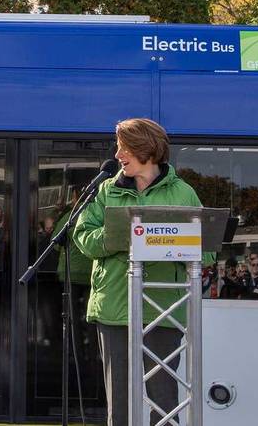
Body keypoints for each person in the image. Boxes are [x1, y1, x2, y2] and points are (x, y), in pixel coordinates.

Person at [74, 118, 212, 426]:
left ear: (146, 149)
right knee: (119, 405)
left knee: (164, 400)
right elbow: (82, 238)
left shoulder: (183, 194)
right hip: (113, 308)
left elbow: (208, 250)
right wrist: (119, 238)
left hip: (163, 308)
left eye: (125, 148)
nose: (118, 154)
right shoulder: (107, 191)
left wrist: (164, 243)